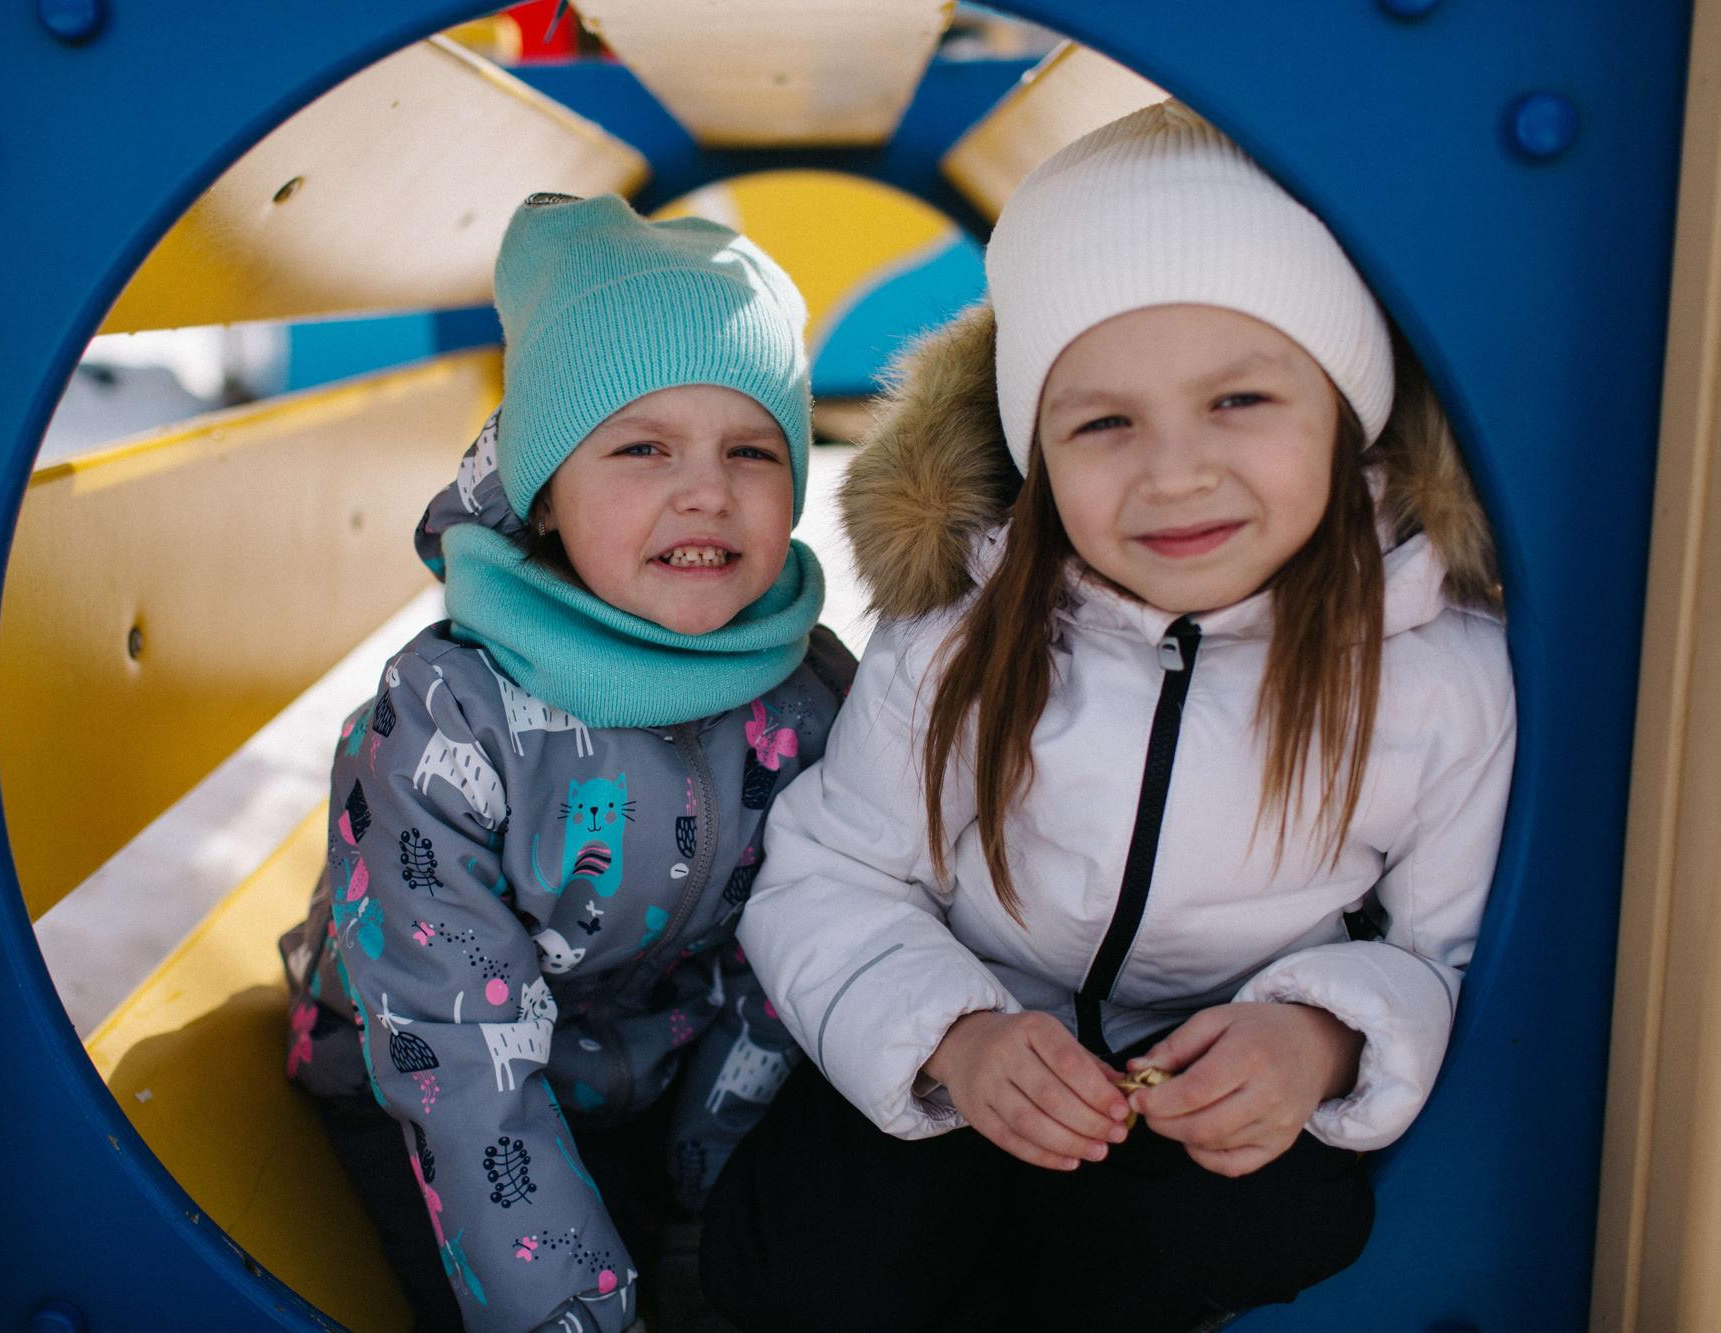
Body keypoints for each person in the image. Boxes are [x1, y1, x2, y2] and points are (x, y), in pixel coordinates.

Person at [700, 101, 1515, 1331]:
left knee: (1259, 1219)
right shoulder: (959, 647)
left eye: (1240, 400)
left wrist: (1317, 1038)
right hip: (971, 1065)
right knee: (797, 1248)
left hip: (1205, 1110)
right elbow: (829, 876)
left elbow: (1446, 958)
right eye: (1103, 422)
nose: (1173, 470)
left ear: (1347, 410)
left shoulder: (1437, 678)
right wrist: (955, 1041)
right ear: (1036, 449)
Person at [279, 192, 851, 1332]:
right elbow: (454, 1059)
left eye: (751, 447)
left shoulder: (809, 693)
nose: (706, 488)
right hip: (422, 1094)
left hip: (650, 1080)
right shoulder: (449, 717)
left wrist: (706, 1208)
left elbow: (794, 966)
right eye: (641, 447)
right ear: (544, 494)